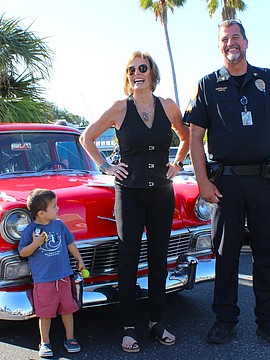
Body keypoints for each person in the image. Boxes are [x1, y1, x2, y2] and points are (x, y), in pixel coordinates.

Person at [184, 19, 270, 345]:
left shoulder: (268, 79)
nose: (230, 43)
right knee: (226, 255)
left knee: (266, 255)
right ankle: (224, 320)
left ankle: (269, 322)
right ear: (219, 45)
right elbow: (195, 138)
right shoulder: (207, 85)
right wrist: (203, 182)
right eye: (225, 39)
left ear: (246, 43)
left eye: (236, 37)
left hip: (265, 182)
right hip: (226, 185)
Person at [79, 51, 189, 353]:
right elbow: (86, 137)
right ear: (127, 76)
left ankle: (157, 322)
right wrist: (107, 166)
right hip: (128, 194)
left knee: (158, 261)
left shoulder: (167, 106)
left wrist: (178, 163)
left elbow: (186, 136)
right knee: (127, 260)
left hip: (162, 194)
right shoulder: (119, 108)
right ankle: (128, 327)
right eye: (131, 69)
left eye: (143, 68)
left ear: (152, 73)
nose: (137, 73)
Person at [18, 188, 85, 358]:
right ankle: (45, 342)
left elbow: (70, 243)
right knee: (45, 313)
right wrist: (35, 243)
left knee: (68, 310)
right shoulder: (30, 231)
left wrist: (79, 259)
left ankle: (70, 338)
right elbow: (23, 252)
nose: (58, 209)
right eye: (54, 206)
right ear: (41, 213)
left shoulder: (59, 225)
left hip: (63, 277)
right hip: (43, 281)